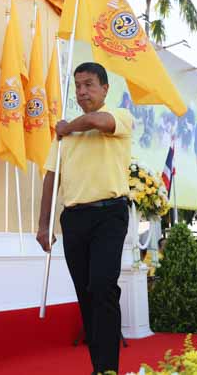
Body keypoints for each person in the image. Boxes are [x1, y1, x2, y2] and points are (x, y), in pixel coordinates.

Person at [36, 62, 133, 375]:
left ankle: (109, 369)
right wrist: (43, 225)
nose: (82, 91)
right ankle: (99, 367)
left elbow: (97, 120)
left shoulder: (120, 115)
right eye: (77, 86)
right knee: (86, 294)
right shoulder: (63, 137)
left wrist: (68, 127)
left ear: (105, 88)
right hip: (74, 218)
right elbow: (52, 176)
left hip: (110, 214)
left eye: (89, 84)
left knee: (103, 285)